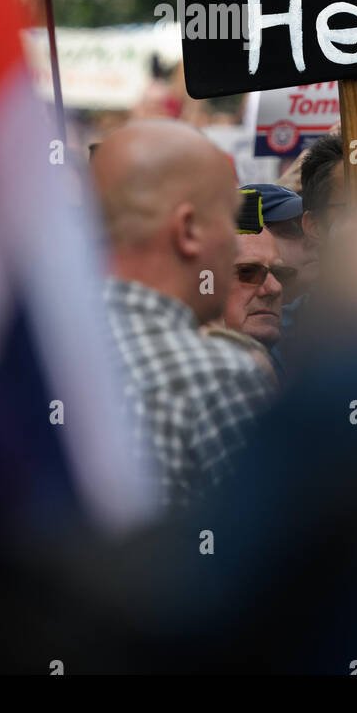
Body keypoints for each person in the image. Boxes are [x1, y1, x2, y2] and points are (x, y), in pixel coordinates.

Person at [91, 120, 277, 508]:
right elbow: (273, 552)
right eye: (230, 218)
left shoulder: (34, 353)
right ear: (188, 230)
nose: (234, 241)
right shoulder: (217, 376)